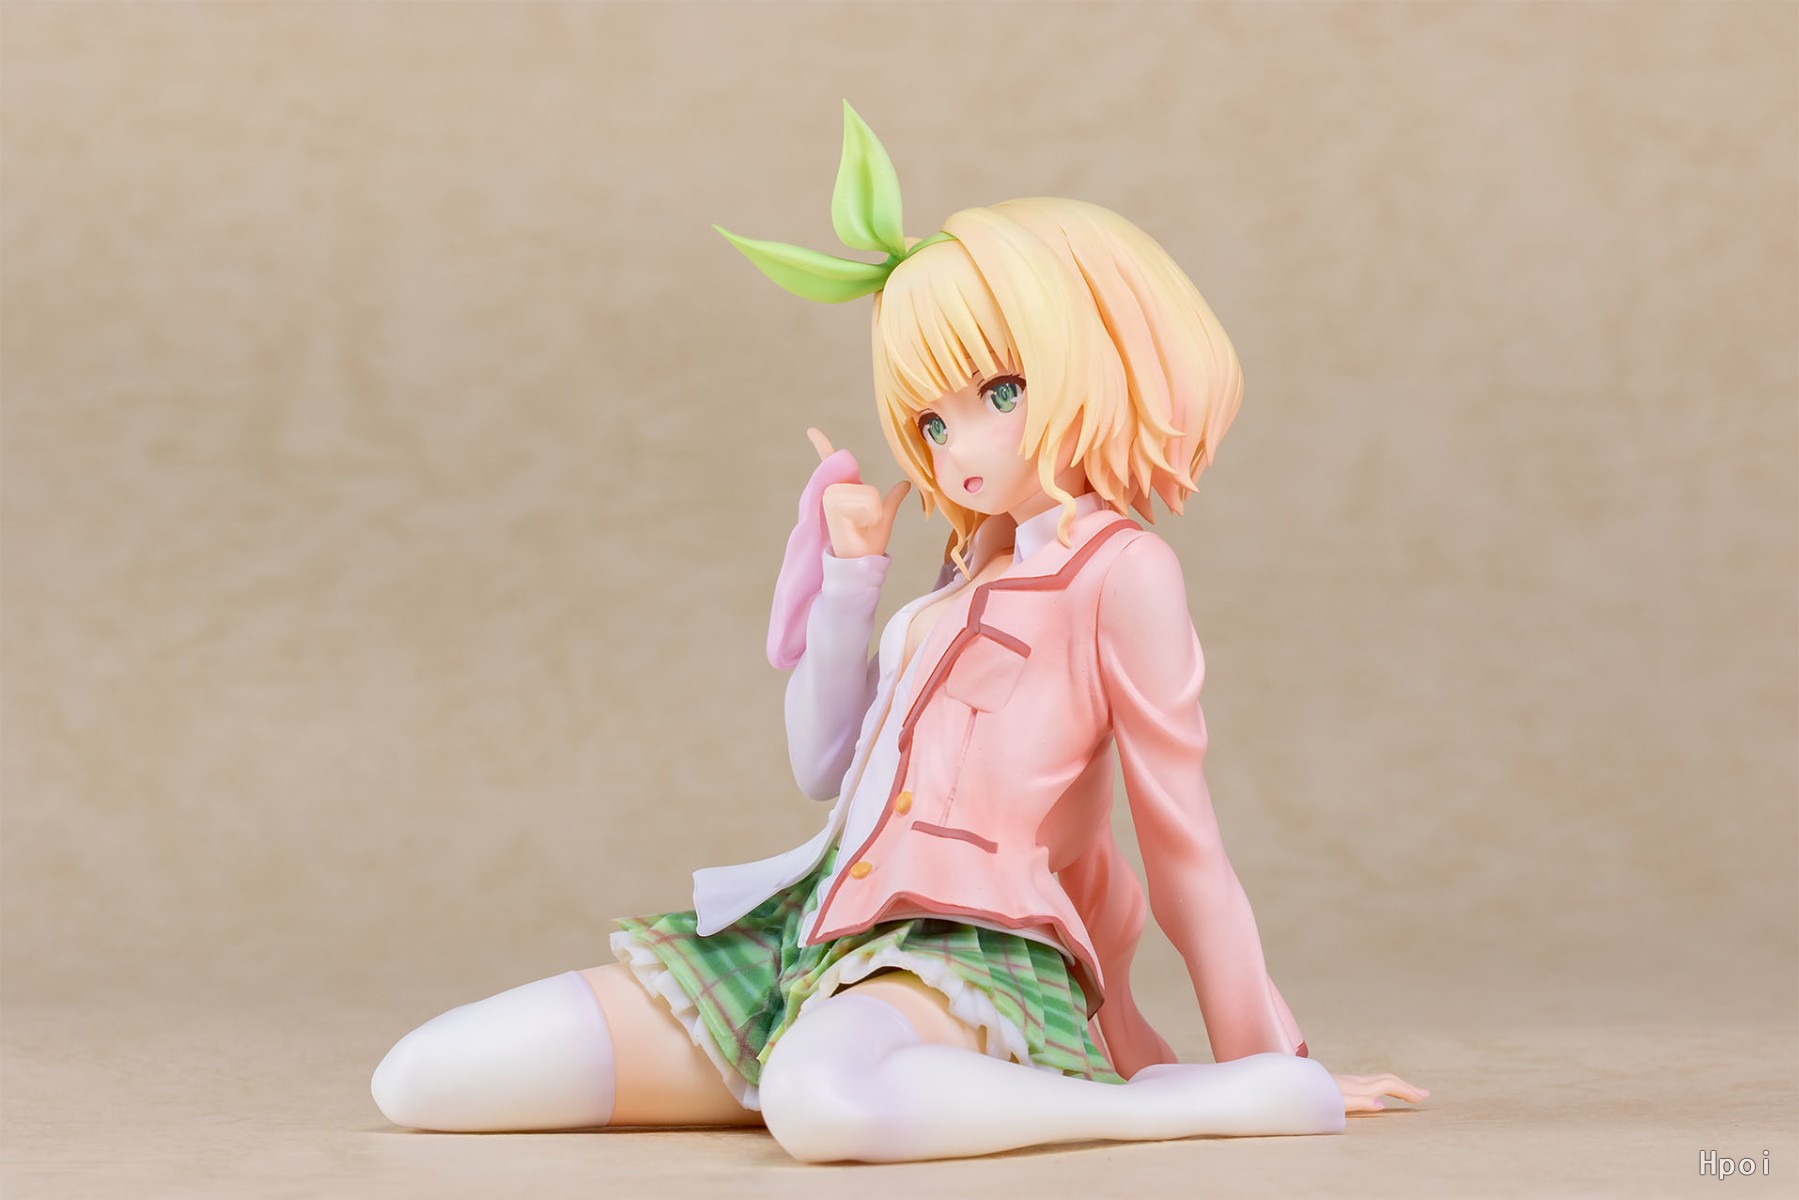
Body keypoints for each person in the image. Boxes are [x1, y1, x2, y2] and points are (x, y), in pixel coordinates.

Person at [370, 102, 1426, 1162]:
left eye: (999, 392)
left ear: (1096, 359)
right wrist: (849, 581)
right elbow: (821, 766)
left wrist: (1268, 1061)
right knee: (426, 1077)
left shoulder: (1120, 571)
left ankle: (1176, 1102)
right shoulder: (955, 577)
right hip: (813, 933)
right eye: (931, 421)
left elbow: (1181, 844)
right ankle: (867, 1068)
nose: (958, 449)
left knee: (821, 1103)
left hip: (969, 951)